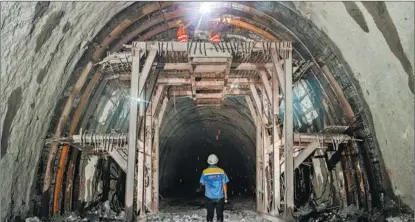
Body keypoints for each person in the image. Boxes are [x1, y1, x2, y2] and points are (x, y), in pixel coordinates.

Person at [199, 154, 229, 222]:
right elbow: (224, 184)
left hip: (209, 197)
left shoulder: (205, 172)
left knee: (209, 215)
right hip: (219, 197)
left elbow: (202, 183)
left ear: (208, 162)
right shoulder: (221, 171)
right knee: (220, 215)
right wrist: (226, 196)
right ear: (217, 161)